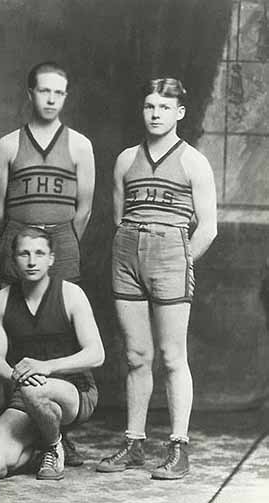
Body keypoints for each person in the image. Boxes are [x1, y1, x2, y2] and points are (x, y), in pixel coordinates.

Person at [97, 77, 217, 480]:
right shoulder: (125, 158)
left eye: (164, 108)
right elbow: (119, 218)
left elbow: (208, 227)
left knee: (171, 356)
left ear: (179, 113)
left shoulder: (193, 161)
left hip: (171, 255)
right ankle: (133, 443)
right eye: (149, 106)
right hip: (128, 252)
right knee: (136, 355)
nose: (155, 114)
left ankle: (178, 447)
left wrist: (181, 260)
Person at [0, 61, 95, 465]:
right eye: (43, 91)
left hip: (62, 240)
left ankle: (57, 432)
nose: (50, 99)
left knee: (61, 331)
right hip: (18, 234)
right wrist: (23, 240)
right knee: (15, 328)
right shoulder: (8, 144)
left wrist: (57, 245)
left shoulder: (80, 145)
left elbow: (83, 209)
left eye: (58, 92)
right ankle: (20, 419)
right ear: (29, 94)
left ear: (65, 97)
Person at [0, 226, 103, 480]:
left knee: (35, 390)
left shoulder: (71, 294)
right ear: (14, 259)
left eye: (39, 253)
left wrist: (46, 367)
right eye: (24, 254)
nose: (32, 261)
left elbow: (96, 354)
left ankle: (53, 445)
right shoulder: (3, 299)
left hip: (74, 390)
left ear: (51, 259)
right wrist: (18, 374)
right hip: (25, 390)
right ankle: (41, 446)